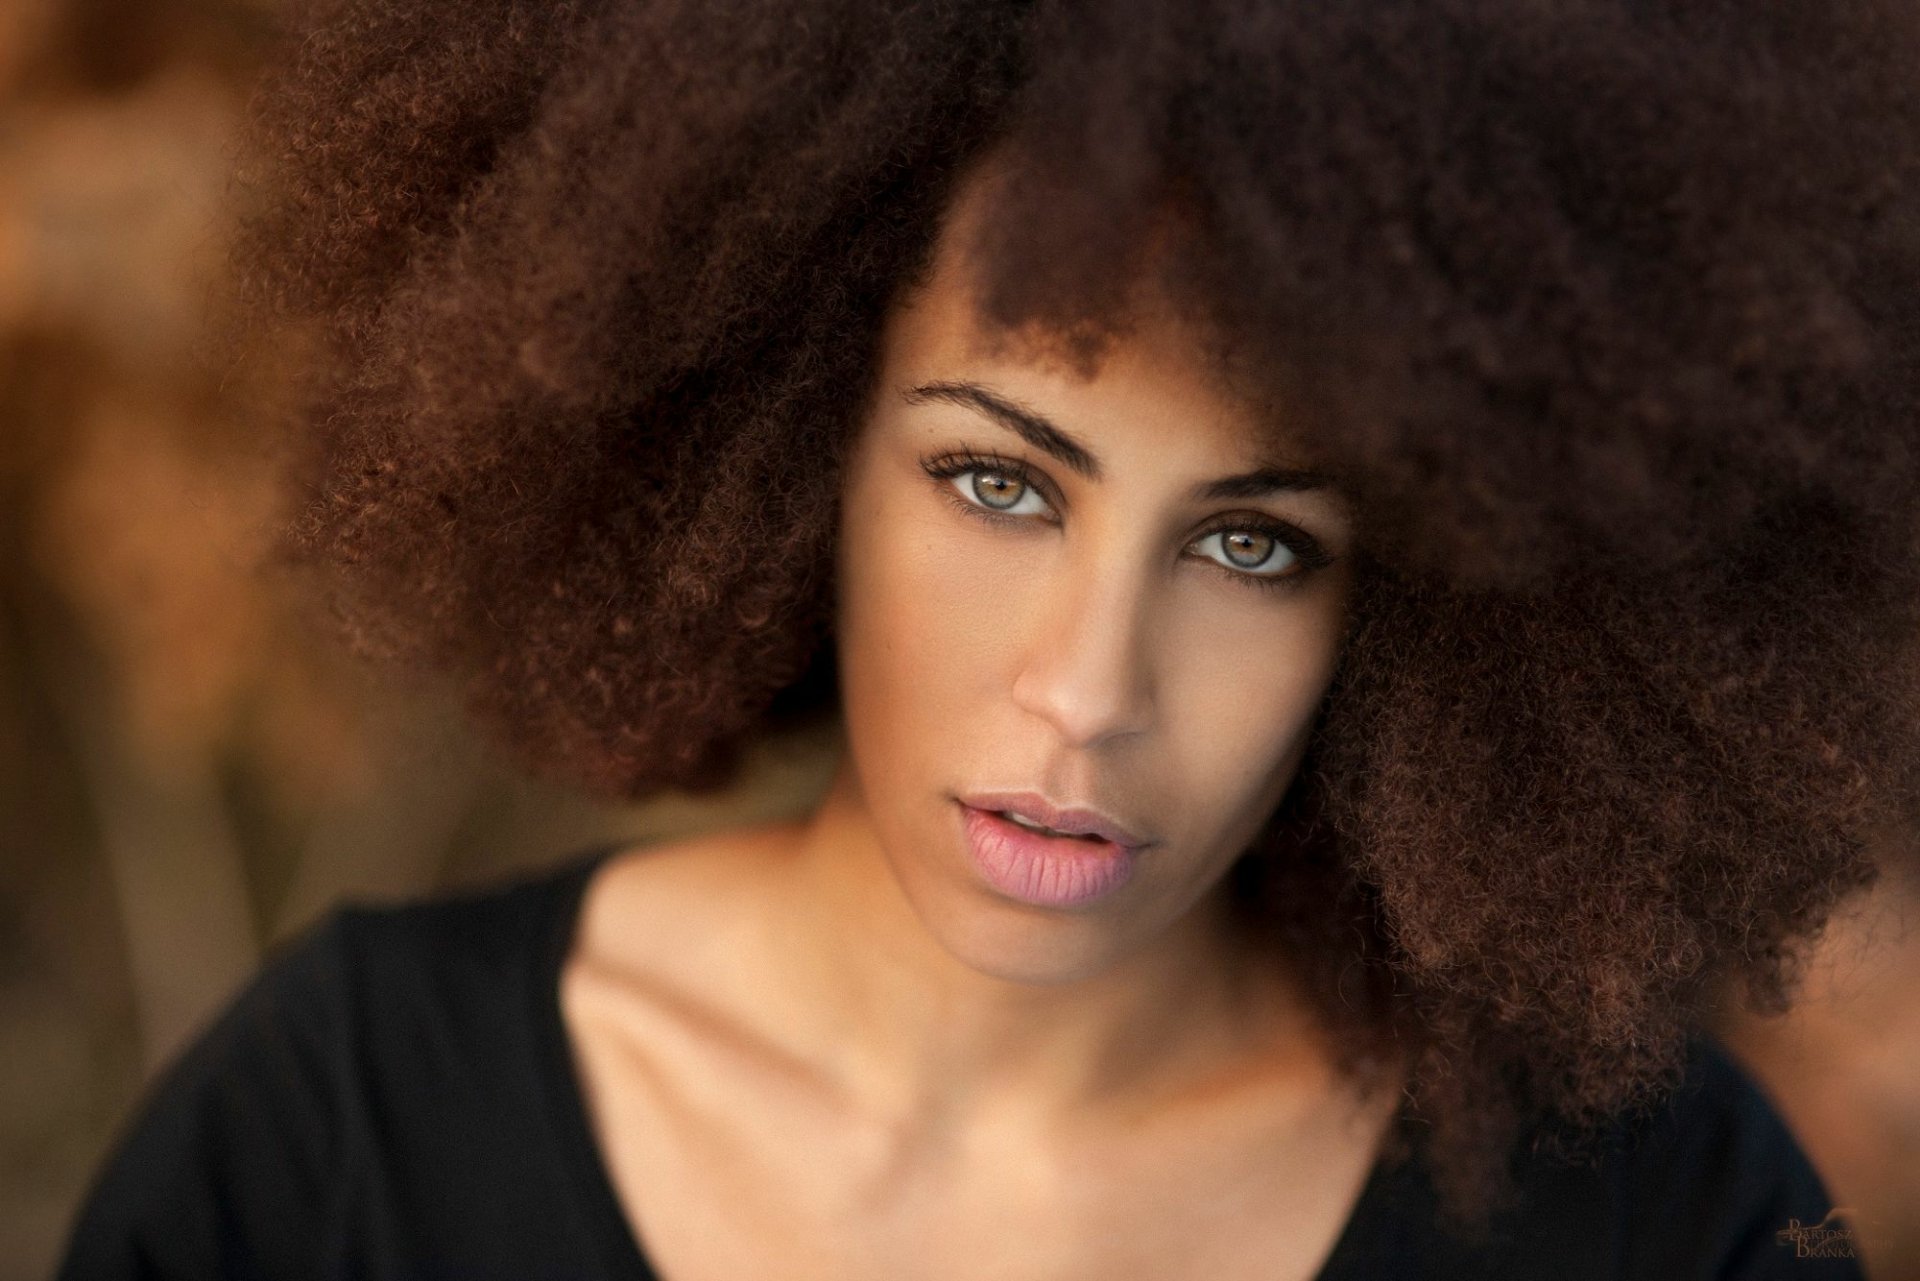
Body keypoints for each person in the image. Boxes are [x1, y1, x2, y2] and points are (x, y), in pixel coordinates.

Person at [57, 0, 1919, 1276]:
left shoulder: (1648, 1215)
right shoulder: (345, 1137)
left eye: (1255, 544)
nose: (1089, 692)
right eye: (999, 483)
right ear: (782, 435)